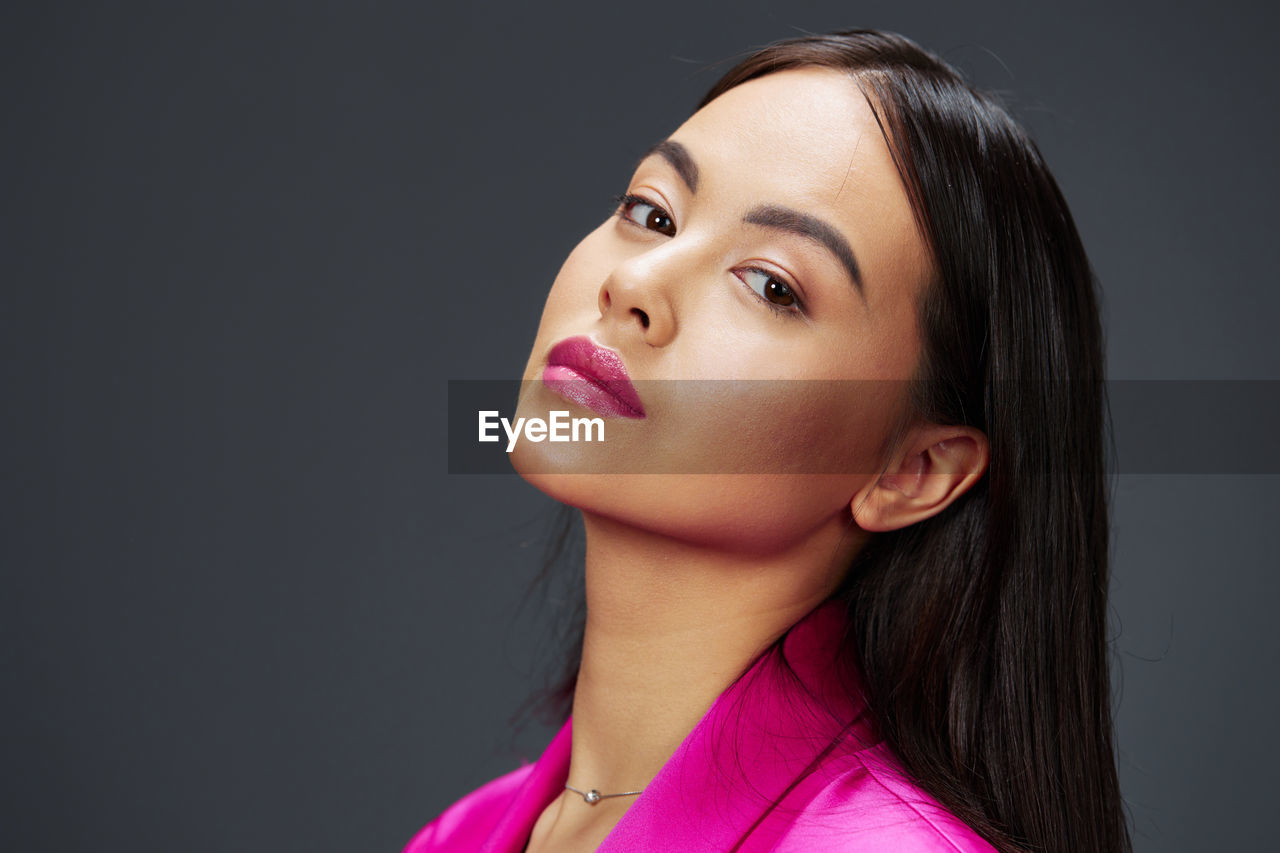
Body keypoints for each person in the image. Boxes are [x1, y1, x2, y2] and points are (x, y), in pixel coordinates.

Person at [406, 29, 1131, 853]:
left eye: (772, 284)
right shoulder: (459, 835)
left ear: (914, 470)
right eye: (652, 213)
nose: (635, 283)